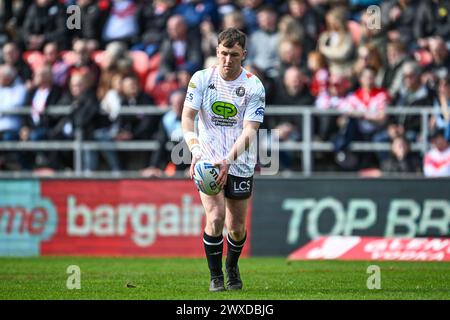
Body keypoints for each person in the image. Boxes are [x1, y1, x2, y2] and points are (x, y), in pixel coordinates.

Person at [181, 28, 265, 292]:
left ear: (244, 55)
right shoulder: (201, 79)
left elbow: (250, 130)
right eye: (224, 54)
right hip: (207, 160)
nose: (228, 60)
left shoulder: (253, 85)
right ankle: (216, 276)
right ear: (217, 51)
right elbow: (187, 117)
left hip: (239, 162)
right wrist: (195, 152)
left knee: (236, 228)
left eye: (234, 55)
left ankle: (231, 266)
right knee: (215, 218)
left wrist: (228, 160)